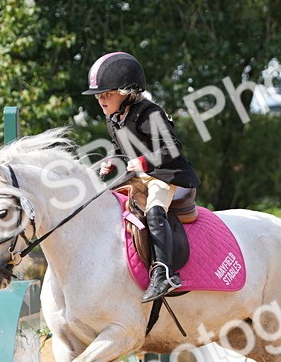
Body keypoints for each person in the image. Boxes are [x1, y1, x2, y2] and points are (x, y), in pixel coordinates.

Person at [84, 51, 201, 301]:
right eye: (98, 95)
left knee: (154, 210)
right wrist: (110, 162)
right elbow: (120, 150)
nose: (101, 99)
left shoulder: (150, 113)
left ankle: (163, 274)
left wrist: (143, 161)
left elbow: (172, 148)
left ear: (127, 91)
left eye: (107, 94)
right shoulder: (114, 119)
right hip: (141, 176)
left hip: (167, 176)